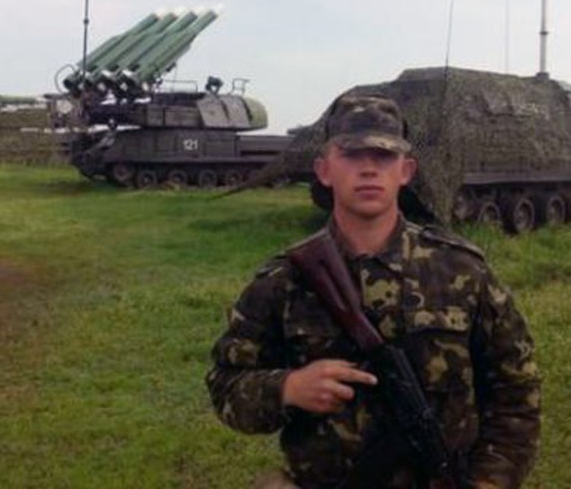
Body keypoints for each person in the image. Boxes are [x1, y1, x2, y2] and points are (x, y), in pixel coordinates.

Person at [206, 95, 540, 489]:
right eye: (351, 154)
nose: (368, 168)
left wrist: (489, 481)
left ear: (407, 171)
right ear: (324, 170)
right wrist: (288, 387)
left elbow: (516, 390)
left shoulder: (462, 270)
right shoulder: (283, 280)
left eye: (384, 156)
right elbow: (226, 384)